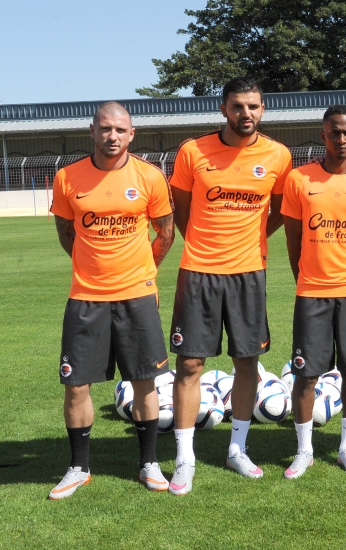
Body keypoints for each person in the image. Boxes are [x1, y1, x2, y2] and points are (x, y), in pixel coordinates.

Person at [167, 77, 292, 495]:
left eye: (254, 106)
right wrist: (205, 245)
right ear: (223, 108)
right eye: (238, 105)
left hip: (248, 274)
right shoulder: (192, 151)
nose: (246, 113)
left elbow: (278, 211)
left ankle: (236, 449)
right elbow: (180, 211)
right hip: (198, 271)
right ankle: (185, 457)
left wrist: (251, 240)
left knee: (246, 364)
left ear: (263, 109)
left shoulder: (278, 155)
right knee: (189, 365)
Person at [49, 102, 175, 499]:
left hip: (137, 297)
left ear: (131, 133)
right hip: (86, 297)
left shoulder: (150, 177)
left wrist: (143, 271)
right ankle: (78, 467)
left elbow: (166, 232)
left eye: (120, 130)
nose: (112, 136)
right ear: (92, 130)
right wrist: (93, 269)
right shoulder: (67, 178)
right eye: (105, 129)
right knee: (76, 386)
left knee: (144, 381)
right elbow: (66, 232)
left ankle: (149, 463)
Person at [282, 105, 346, 478]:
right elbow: (293, 239)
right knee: (306, 375)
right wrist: (308, 276)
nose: (341, 139)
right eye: (334, 132)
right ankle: (304, 451)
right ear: (323, 134)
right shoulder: (298, 179)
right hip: (311, 292)